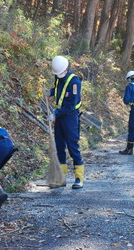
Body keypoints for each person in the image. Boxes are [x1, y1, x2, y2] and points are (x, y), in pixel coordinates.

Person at [43, 55, 84, 189]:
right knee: (60, 146)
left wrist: (55, 113)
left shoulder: (75, 83)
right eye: (57, 73)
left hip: (70, 117)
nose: (58, 75)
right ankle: (61, 178)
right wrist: (51, 92)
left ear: (66, 69)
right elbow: (58, 89)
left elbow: (71, 105)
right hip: (60, 116)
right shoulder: (58, 76)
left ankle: (79, 178)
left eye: (60, 73)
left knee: (72, 146)